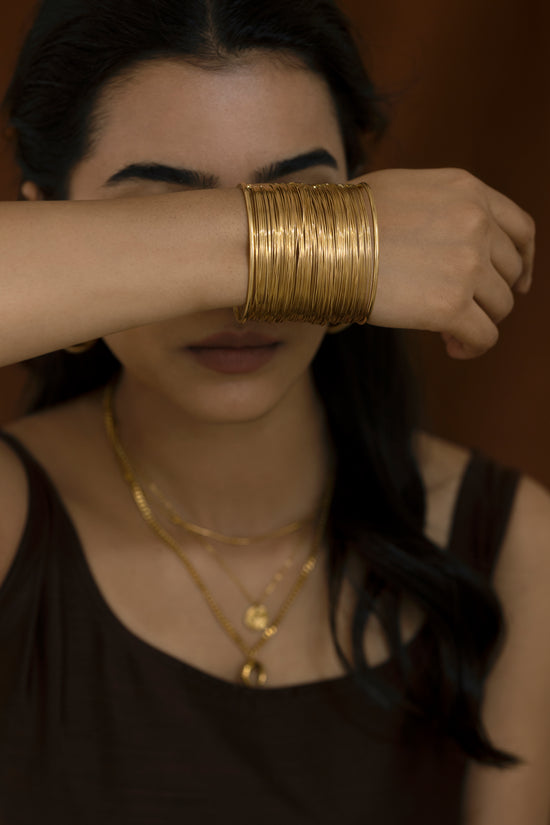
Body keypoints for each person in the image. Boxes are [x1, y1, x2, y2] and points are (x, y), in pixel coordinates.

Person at [0, 0, 547, 823]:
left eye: (310, 206)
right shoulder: (13, 518)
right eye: (164, 213)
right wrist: (310, 247)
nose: (246, 303)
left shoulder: (509, 540)